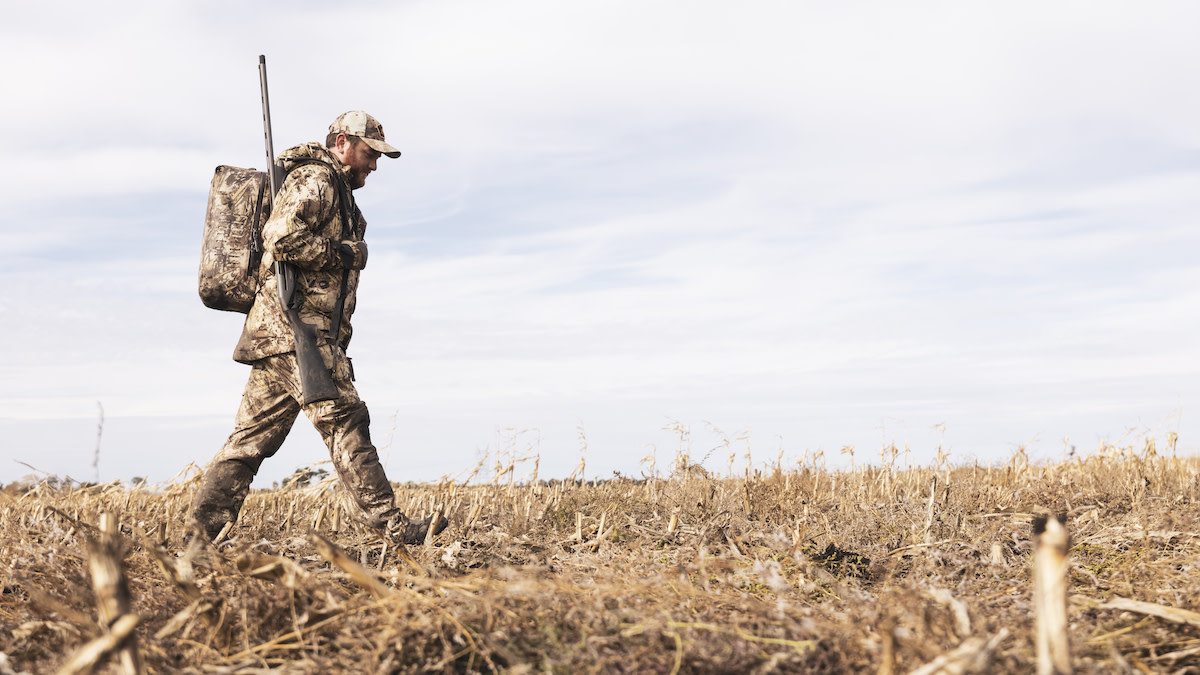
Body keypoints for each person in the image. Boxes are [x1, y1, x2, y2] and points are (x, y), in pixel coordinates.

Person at [191, 111, 446, 545]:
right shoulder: (318, 180)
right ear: (342, 142)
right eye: (369, 153)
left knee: (248, 442)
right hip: (296, 331)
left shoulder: (340, 193)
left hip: (279, 335)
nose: (374, 165)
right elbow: (281, 238)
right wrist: (343, 253)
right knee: (346, 420)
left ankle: (199, 538)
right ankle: (393, 528)